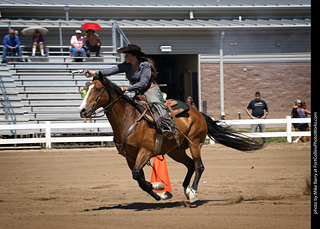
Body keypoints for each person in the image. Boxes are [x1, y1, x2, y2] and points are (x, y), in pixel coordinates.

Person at [85, 44, 175, 138]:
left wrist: (127, 88)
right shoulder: (126, 65)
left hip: (150, 88)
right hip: (138, 91)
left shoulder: (145, 66)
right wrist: (94, 73)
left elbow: (143, 83)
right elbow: (111, 70)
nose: (125, 57)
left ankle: (166, 126)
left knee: (154, 102)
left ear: (134, 56)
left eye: (127, 55)